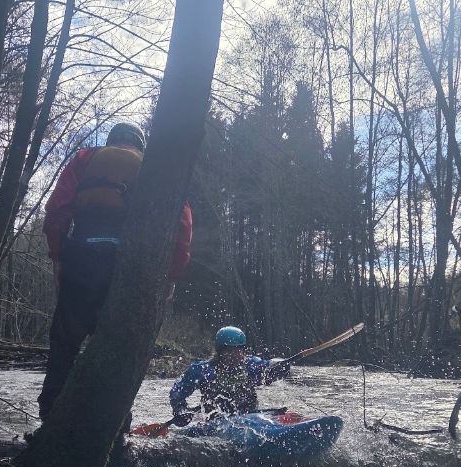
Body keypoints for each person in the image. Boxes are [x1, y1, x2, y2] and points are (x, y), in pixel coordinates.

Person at [37, 121, 194, 428]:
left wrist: (58, 257)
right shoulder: (155, 167)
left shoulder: (85, 158)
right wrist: (171, 276)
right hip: (127, 269)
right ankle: (115, 429)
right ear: (140, 144)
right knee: (117, 349)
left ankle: (49, 422)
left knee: (65, 345)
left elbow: (57, 210)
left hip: (81, 258)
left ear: (112, 141)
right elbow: (182, 226)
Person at [169, 326, 291, 425]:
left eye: (238, 350)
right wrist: (180, 409)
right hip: (216, 420)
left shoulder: (251, 365)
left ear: (243, 351)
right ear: (219, 352)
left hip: (248, 416)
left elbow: (268, 367)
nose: (234, 355)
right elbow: (177, 392)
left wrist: (280, 366)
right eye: (228, 351)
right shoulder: (202, 370)